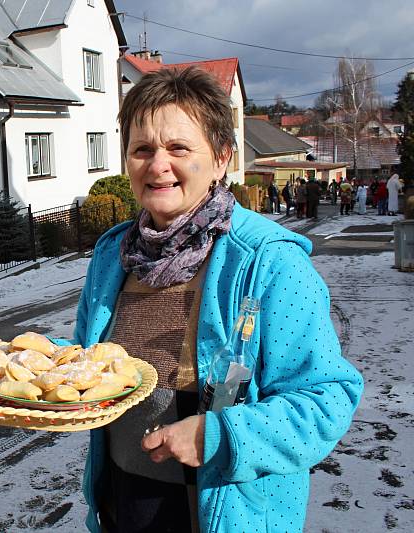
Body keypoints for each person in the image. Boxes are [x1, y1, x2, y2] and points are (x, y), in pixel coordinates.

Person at [75, 66, 363, 532]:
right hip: (122, 504)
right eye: (141, 149)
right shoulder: (112, 255)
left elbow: (326, 398)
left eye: (179, 148)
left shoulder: (269, 263)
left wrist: (220, 436)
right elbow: (87, 371)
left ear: (222, 157)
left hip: (229, 510)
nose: (157, 165)